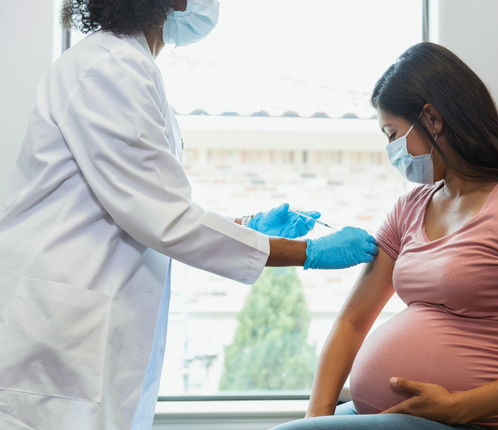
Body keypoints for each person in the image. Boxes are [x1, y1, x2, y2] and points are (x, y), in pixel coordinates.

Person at [0, 1, 378, 429]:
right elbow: (164, 218)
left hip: (84, 328)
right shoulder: (108, 69)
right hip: (57, 339)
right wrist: (304, 251)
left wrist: (243, 229)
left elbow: (149, 206)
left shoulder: (128, 66)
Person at [271, 42, 498, 430]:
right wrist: (317, 420)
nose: (390, 150)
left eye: (393, 133)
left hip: (480, 422)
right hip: (392, 417)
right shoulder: (411, 207)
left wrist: (461, 406)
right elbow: (352, 321)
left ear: (432, 119)